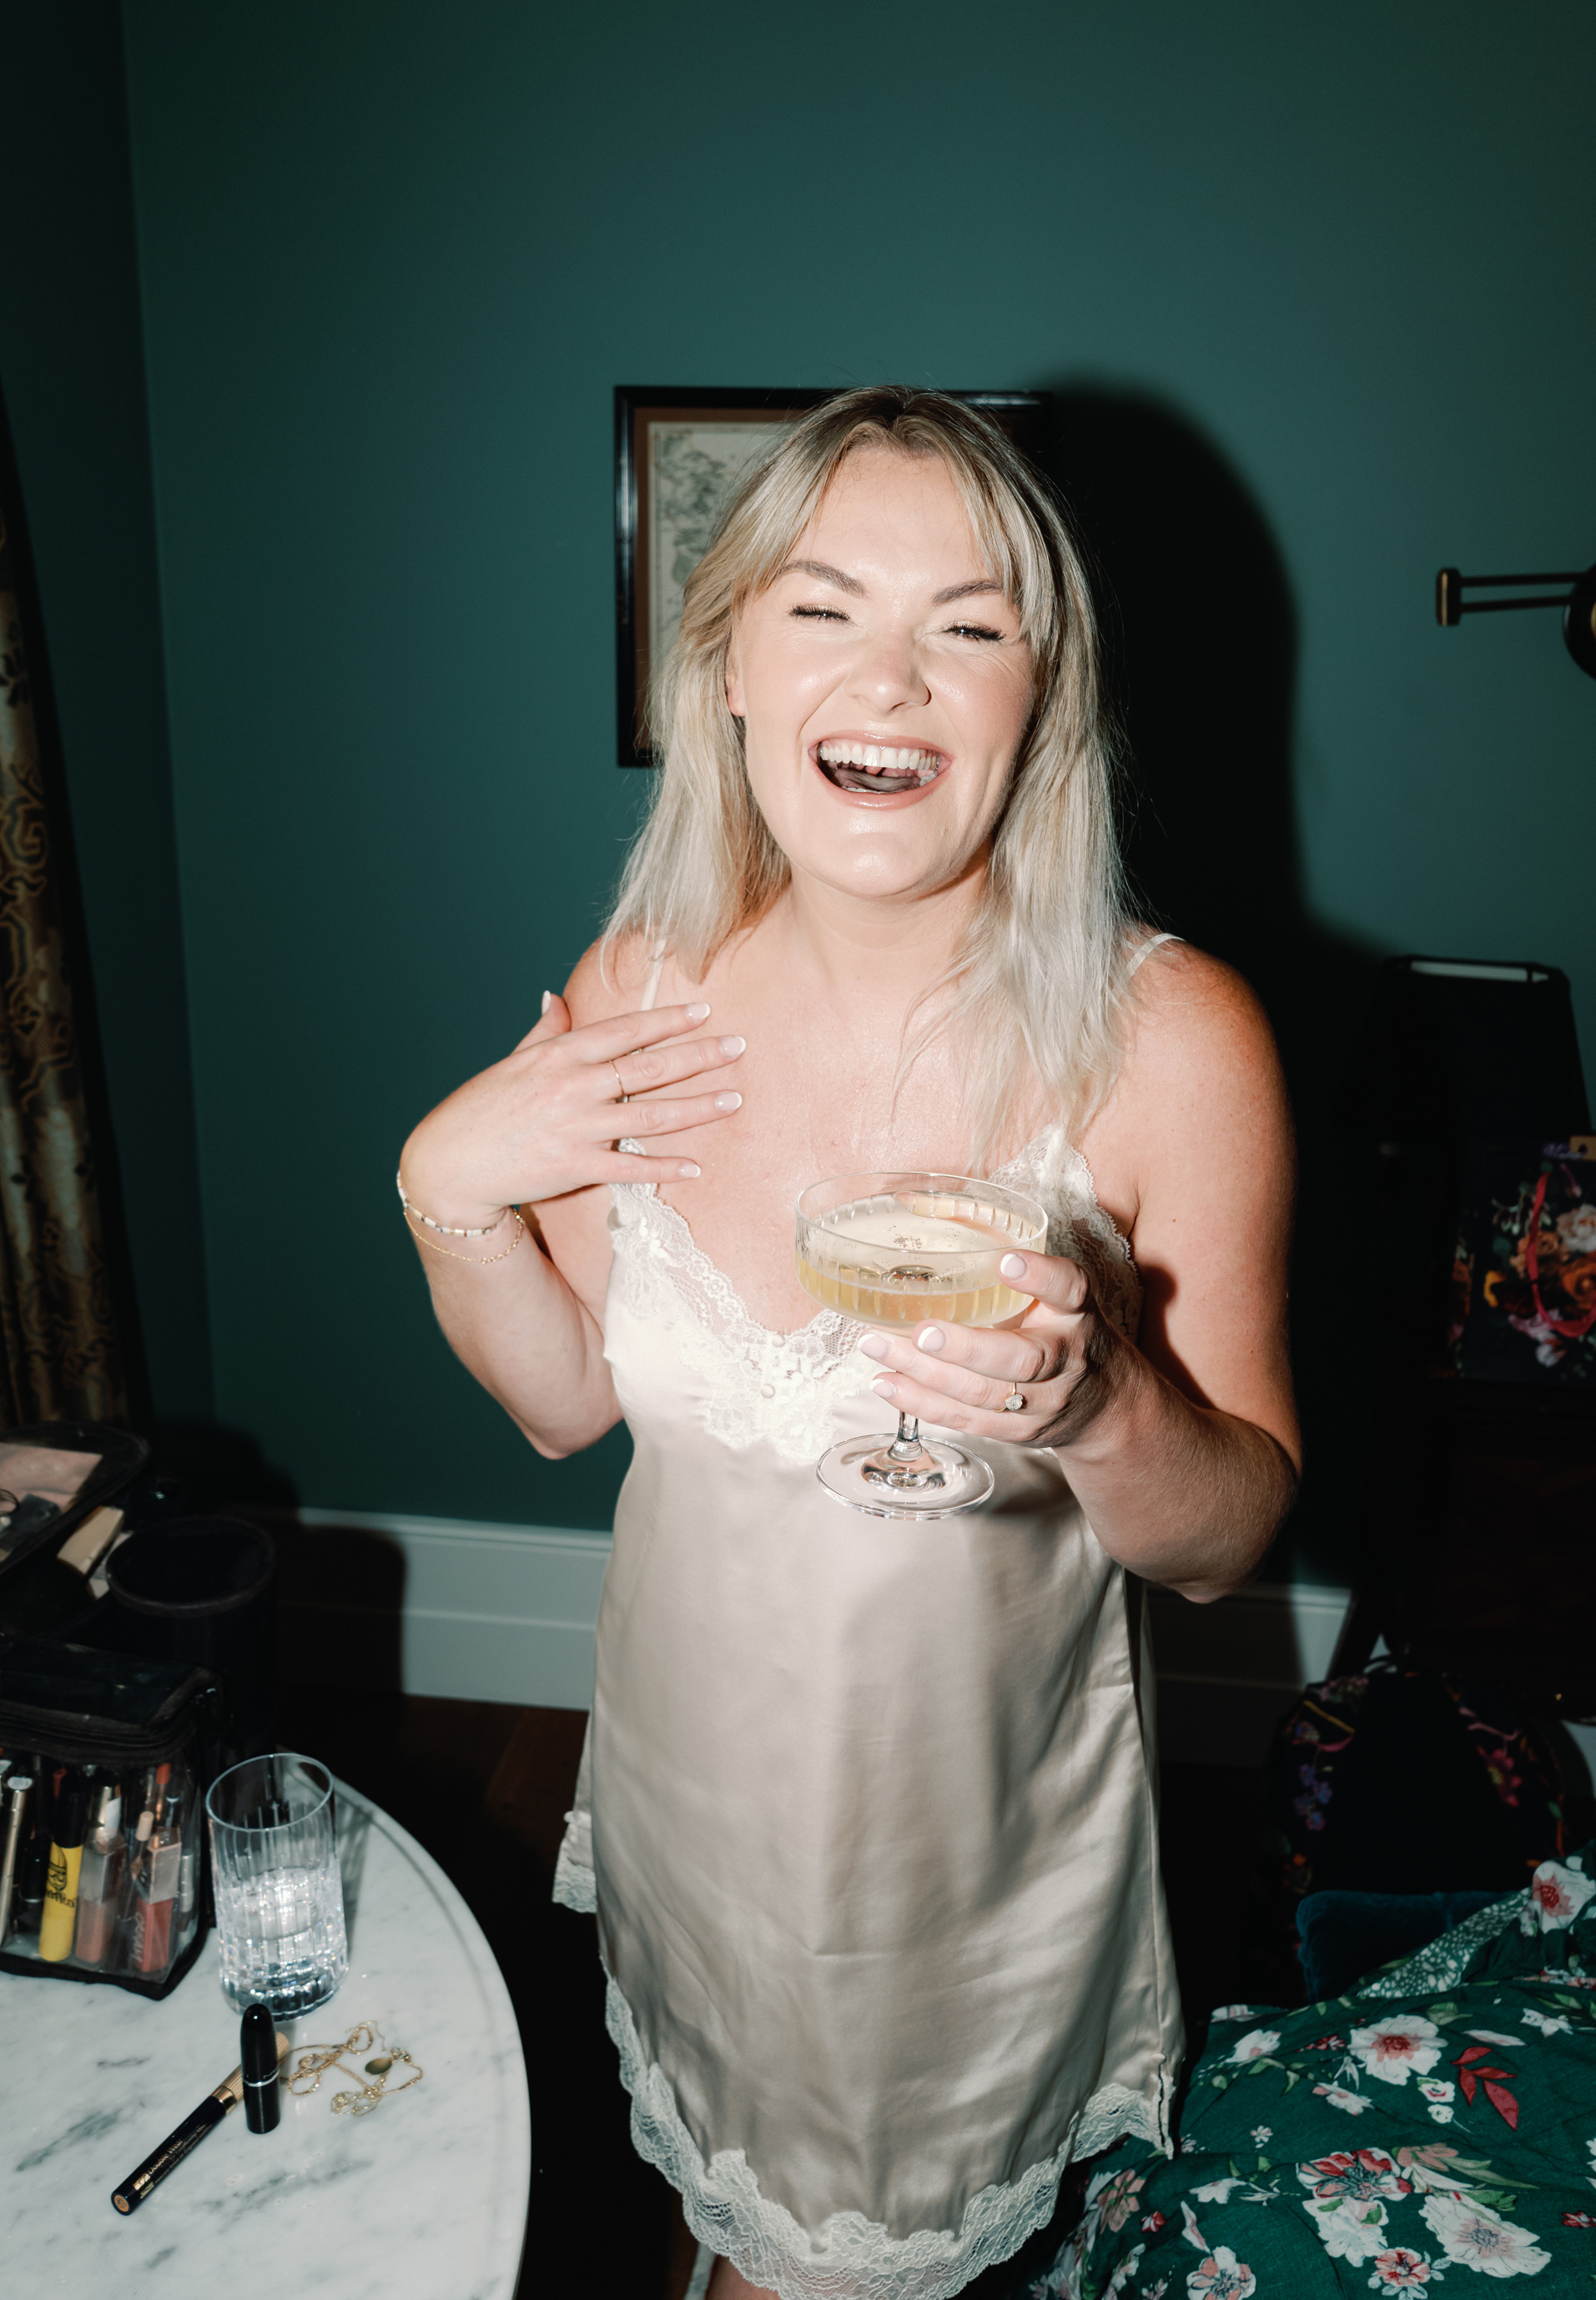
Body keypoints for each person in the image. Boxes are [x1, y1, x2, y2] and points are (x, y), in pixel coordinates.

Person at [398, 387, 1299, 2300]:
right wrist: (443, 1194)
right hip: (690, 1796)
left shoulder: (1175, 1045)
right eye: (823, 611)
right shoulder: (635, 992)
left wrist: (1103, 1399)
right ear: (726, 667)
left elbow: (1224, 1544)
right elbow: (564, 1404)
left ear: (1039, 701)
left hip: (949, 1875)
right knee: (727, 2198)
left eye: (967, 627)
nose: (888, 680)